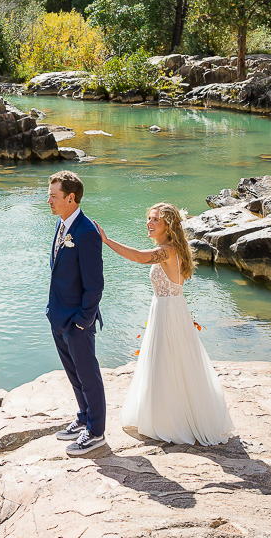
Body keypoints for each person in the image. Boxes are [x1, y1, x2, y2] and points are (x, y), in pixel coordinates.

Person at [98, 203, 235, 446]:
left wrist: (107, 241)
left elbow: (140, 258)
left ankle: (172, 420)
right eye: (148, 218)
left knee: (167, 362)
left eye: (155, 220)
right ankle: (164, 415)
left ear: (168, 226)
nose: (149, 223)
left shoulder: (168, 250)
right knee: (167, 363)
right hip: (169, 308)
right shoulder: (171, 249)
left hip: (169, 311)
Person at [46, 170, 106, 456]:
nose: (49, 201)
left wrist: (83, 321)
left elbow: (95, 285)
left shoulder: (87, 232)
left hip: (76, 321)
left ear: (71, 197)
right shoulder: (61, 225)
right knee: (73, 374)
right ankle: (84, 418)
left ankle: (96, 432)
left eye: (54, 196)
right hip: (58, 316)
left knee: (88, 374)